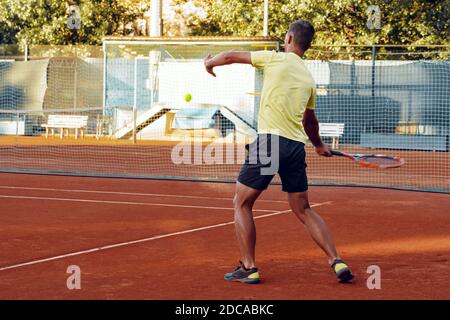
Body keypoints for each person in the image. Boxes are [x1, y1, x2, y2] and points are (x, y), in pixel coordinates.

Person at [203, 19, 354, 284]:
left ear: (288, 39)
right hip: (296, 147)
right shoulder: (308, 79)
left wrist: (209, 63)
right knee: (304, 209)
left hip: (270, 141)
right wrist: (318, 145)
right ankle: (336, 260)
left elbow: (229, 56)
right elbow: (310, 121)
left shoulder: (274, 59)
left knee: (241, 203)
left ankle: (249, 267)